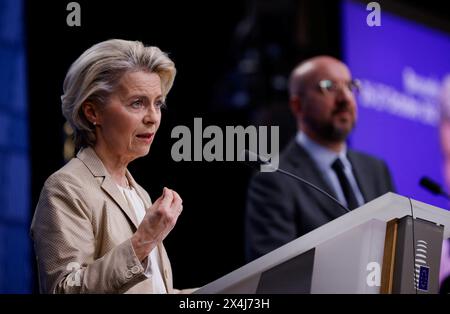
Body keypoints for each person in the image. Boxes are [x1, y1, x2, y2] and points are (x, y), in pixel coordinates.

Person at [31, 39, 194, 293]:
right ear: (92, 112)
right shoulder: (65, 188)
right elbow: (63, 290)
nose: (152, 117)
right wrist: (142, 241)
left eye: (158, 103)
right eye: (137, 103)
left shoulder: (138, 193)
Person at [245, 56, 395, 262]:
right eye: (329, 87)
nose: (345, 98)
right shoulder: (274, 178)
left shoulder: (376, 168)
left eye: (350, 86)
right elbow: (273, 272)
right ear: (298, 105)